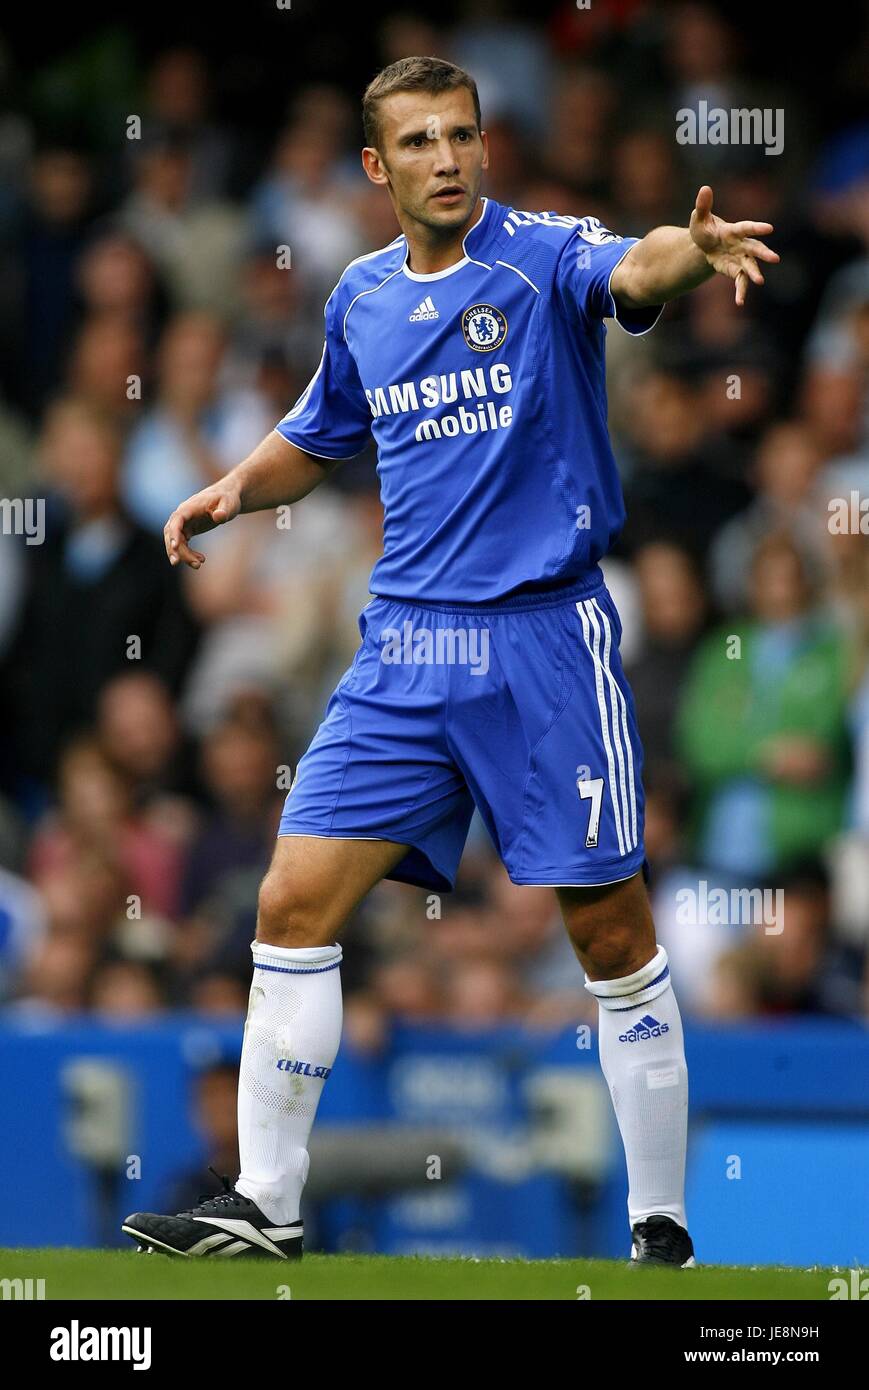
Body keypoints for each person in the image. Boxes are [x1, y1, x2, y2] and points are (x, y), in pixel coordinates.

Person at [123, 55, 777, 1265]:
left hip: (541, 639)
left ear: (483, 145)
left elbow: (632, 267)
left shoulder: (541, 252)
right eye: (419, 142)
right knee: (289, 902)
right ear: (375, 166)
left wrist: (686, 252)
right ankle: (267, 1204)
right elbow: (315, 434)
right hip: (404, 646)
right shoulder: (361, 297)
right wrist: (227, 490)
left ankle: (659, 1226)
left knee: (611, 936)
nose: (447, 159)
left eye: (462, 135)